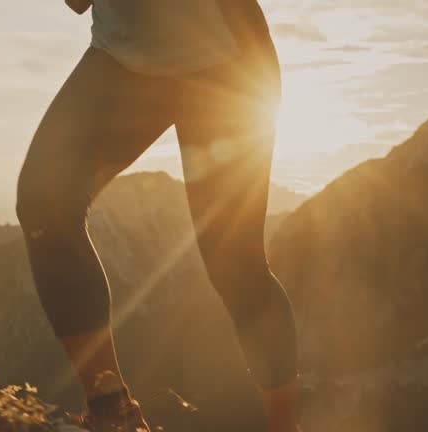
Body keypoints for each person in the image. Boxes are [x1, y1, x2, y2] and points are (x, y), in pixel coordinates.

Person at [16, 0, 300, 431]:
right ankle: (113, 413)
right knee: (44, 204)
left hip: (228, 62)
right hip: (124, 60)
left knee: (235, 265)